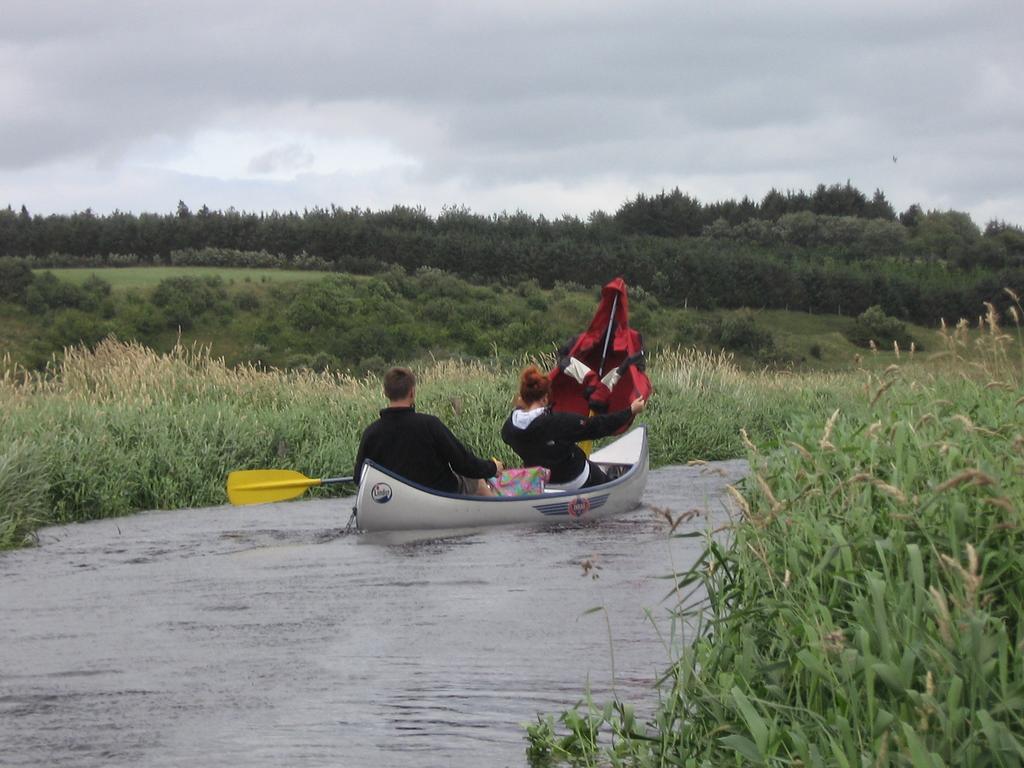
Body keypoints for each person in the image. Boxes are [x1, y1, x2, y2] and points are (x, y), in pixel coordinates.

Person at [354, 367, 502, 496]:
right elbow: (463, 464)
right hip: (437, 493)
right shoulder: (430, 425)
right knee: (476, 480)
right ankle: (498, 512)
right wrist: (493, 467)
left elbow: (358, 478)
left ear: (385, 392)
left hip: (395, 497)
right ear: (412, 392)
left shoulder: (371, 432)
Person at [501, 364, 647, 490]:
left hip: (541, 482)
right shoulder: (558, 422)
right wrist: (631, 410)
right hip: (573, 480)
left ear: (523, 397)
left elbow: (522, 429)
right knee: (603, 479)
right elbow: (598, 426)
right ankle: (609, 485)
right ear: (545, 398)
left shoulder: (508, 429)